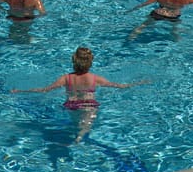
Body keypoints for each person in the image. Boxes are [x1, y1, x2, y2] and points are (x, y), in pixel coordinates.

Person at [11, 47, 146, 143]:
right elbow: (120, 86)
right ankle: (80, 137)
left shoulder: (66, 78)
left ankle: (75, 134)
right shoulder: (95, 78)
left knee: (75, 123)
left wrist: (21, 91)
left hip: (71, 104)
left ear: (74, 61)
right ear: (90, 62)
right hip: (89, 104)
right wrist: (139, 83)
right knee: (86, 124)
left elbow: (44, 90)